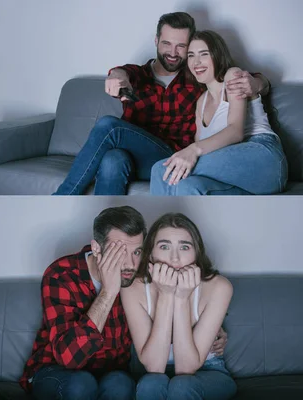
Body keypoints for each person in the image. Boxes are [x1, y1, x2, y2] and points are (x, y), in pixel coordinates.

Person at [19, 206, 228, 400]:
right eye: (118, 253)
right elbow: (69, 359)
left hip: (113, 373)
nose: (129, 263)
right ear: (97, 249)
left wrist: (212, 328)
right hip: (58, 370)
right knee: (82, 384)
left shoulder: (137, 276)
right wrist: (109, 292)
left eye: (137, 252)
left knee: (121, 384)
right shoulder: (62, 274)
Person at [53, 12, 269, 195]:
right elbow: (120, 73)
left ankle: (63, 197)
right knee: (112, 159)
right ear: (156, 41)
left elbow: (240, 76)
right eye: (166, 43)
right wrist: (115, 77)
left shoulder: (196, 75)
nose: (173, 53)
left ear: (189, 47)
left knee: (109, 125)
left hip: (172, 158)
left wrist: (259, 83)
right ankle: (108, 228)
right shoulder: (137, 76)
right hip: (134, 160)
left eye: (181, 46)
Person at [150, 31, 287, 195]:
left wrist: (193, 149)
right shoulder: (200, 103)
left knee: (161, 169)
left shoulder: (232, 75)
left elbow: (236, 131)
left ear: (217, 56)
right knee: (188, 186)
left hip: (264, 157)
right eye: (191, 55)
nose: (196, 62)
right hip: (238, 179)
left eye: (204, 54)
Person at [121, 213, 236, 400]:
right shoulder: (132, 287)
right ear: (150, 253)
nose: (175, 258)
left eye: (184, 247)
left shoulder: (219, 287)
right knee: (151, 384)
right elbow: (154, 367)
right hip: (151, 375)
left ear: (196, 252)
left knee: (182, 386)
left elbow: (186, 368)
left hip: (208, 372)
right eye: (164, 246)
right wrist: (166, 295)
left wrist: (181, 299)